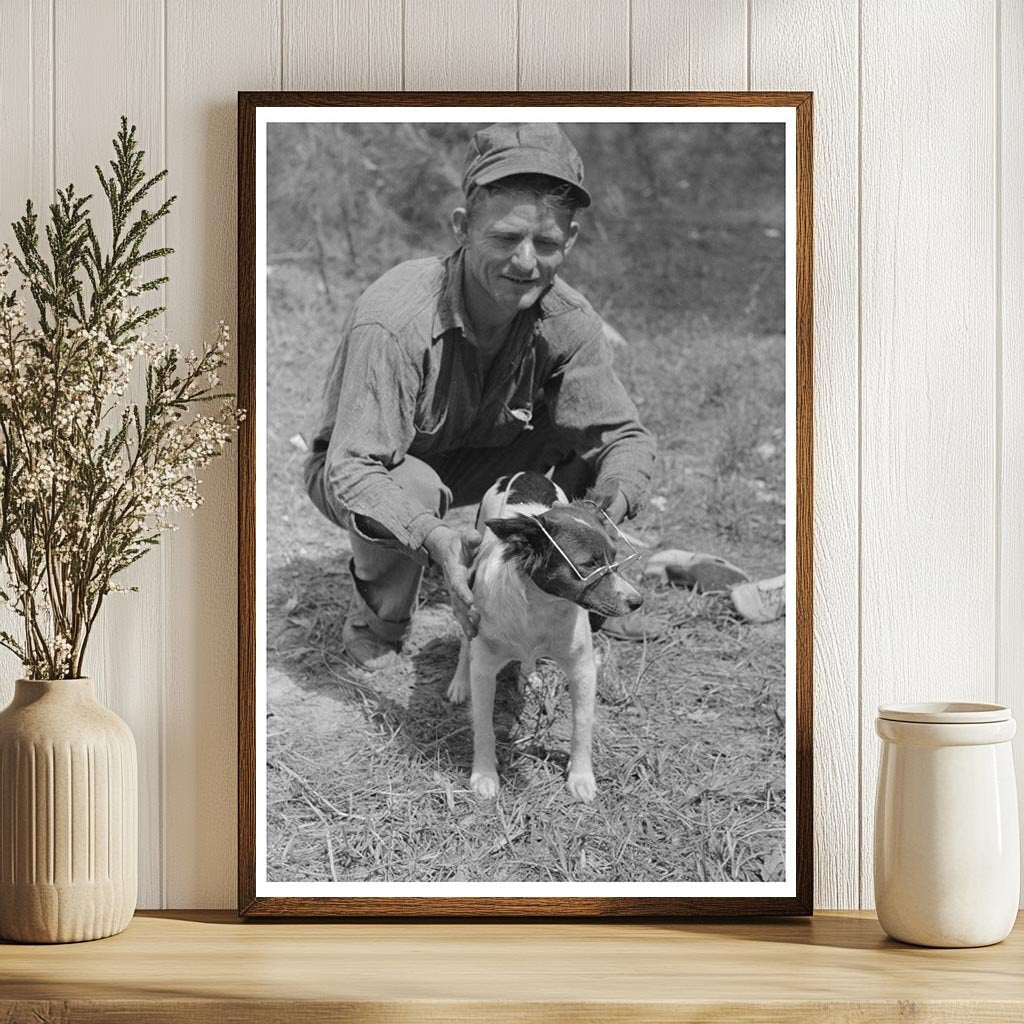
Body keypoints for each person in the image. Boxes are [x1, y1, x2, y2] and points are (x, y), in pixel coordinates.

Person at [304, 122, 657, 670]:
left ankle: (579, 593)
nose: (525, 262)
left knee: (592, 446)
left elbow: (624, 438)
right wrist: (434, 536)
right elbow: (353, 469)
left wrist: (604, 506)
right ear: (463, 227)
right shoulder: (396, 318)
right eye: (504, 238)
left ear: (569, 241)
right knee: (413, 487)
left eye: (545, 243)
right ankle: (380, 621)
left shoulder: (569, 320)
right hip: (371, 469)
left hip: (485, 456)